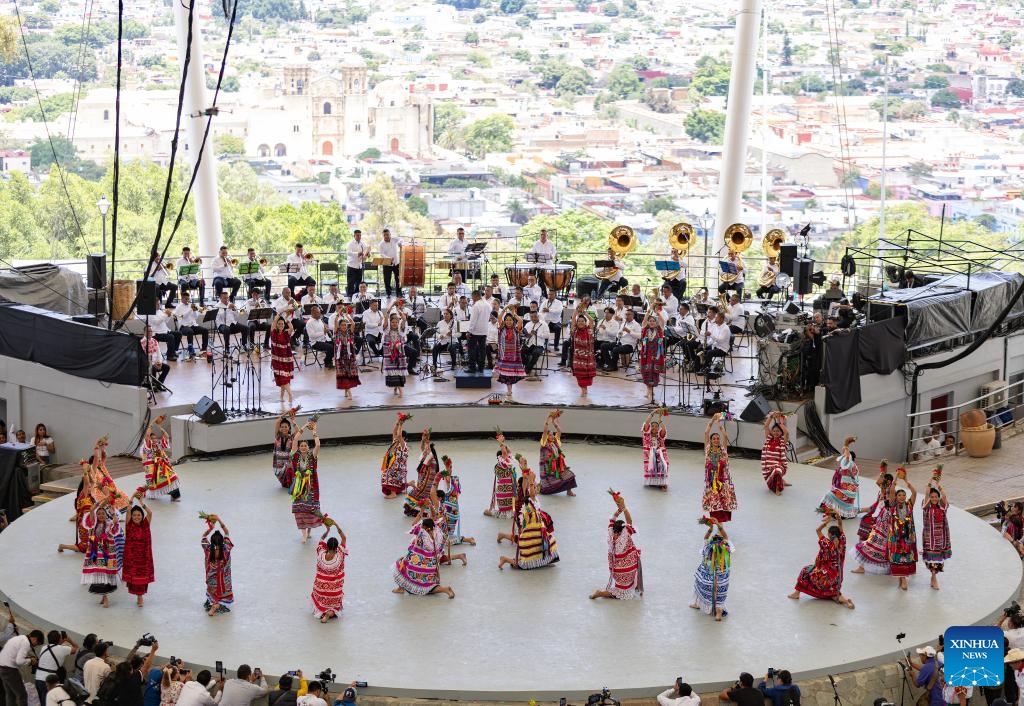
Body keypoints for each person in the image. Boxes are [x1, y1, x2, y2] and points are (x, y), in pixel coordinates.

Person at [789, 509, 854, 608]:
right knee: (833, 594)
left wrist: (826, 522)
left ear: (830, 535)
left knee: (805, 571)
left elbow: (817, 530)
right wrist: (838, 518)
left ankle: (796, 593)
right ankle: (846, 601)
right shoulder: (842, 542)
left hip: (825, 576)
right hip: (837, 577)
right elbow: (840, 527)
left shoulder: (827, 543)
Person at [590, 492, 642, 599]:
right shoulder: (624, 536)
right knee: (622, 592)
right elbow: (630, 522)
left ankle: (624, 588)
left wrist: (618, 510)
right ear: (622, 530)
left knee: (623, 588)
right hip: (625, 569)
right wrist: (623, 507)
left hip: (615, 570)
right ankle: (601, 593)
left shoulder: (610, 533)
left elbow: (612, 519)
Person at [392, 516, 455, 599]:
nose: (421, 527)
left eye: (423, 526)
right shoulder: (438, 533)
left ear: (426, 528)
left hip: (420, 563)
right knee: (427, 584)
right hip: (432, 564)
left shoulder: (423, 535)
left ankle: (445, 589)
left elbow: (414, 526)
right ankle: (445, 590)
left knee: (402, 566)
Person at [81, 496, 123, 607]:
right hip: (96, 552)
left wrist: (113, 513)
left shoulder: (109, 524)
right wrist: (95, 507)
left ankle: (105, 598)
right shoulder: (93, 524)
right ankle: (103, 597)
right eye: (98, 514)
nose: (100, 515)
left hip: (107, 553)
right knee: (99, 573)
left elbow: (115, 524)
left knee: (105, 573)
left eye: (103, 514)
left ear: (106, 515)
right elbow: (91, 514)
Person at [498, 497, 559, 570]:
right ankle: (505, 559)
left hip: (538, 533)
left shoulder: (533, 504)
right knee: (525, 563)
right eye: (533, 487)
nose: (535, 489)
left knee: (549, 542)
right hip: (532, 533)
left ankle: (543, 561)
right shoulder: (527, 507)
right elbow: (526, 521)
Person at [691, 518, 732, 621]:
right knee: (720, 595)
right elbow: (726, 536)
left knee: (698, 583)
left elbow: (705, 538)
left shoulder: (707, 547)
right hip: (722, 579)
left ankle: (696, 603)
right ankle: (718, 612)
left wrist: (710, 528)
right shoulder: (726, 548)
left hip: (707, 579)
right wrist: (718, 525)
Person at [290, 421, 323, 543]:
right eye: (301, 445)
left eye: (305, 445)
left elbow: (318, 445)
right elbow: (294, 440)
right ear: (299, 448)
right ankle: (303, 534)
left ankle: (309, 531)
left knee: (309, 510)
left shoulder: (312, 457)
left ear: (308, 447)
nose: (303, 447)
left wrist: (314, 431)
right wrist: (303, 426)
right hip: (299, 488)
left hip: (311, 488)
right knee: (299, 511)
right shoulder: (295, 457)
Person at [311, 518, 348, 622]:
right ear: (336, 547)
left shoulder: (320, 553)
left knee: (319, 598)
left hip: (321, 588)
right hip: (334, 591)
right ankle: (329, 613)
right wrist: (336, 525)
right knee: (334, 606)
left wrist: (327, 530)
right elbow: (344, 538)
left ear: (326, 547)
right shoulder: (340, 554)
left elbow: (321, 541)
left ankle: (323, 612)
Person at [702, 414, 737, 522]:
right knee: (714, 497)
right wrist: (712, 421)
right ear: (711, 441)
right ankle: (715, 518)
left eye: (718, 438)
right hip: (711, 478)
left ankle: (722, 518)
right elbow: (706, 433)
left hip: (723, 478)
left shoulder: (723, 449)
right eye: (714, 439)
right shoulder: (708, 449)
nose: (716, 440)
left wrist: (719, 425)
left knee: (723, 497)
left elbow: (725, 436)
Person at [888, 468, 919, 590]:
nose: (901, 497)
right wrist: (896, 477)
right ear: (896, 497)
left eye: (903, 495)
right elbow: (891, 490)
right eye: (899, 495)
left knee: (906, 555)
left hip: (907, 535)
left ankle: (903, 578)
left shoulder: (909, 504)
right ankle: (902, 577)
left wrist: (906, 481)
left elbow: (915, 493)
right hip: (896, 535)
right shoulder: (893, 504)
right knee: (897, 555)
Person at [122, 497, 155, 607]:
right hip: (132, 558)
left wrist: (142, 503)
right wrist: (131, 500)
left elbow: (150, 513)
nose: (136, 517)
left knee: (142, 579)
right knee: (134, 579)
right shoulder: (129, 525)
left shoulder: (145, 525)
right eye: (134, 515)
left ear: (142, 516)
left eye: (139, 515)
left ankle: (140, 597)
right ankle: (139, 597)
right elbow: (127, 511)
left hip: (144, 557)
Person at [922, 471, 951, 590]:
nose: (934, 498)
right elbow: (926, 493)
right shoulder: (926, 507)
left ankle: (934, 576)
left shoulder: (942, 507)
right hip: (929, 538)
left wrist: (938, 483)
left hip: (941, 538)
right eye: (932, 497)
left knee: (938, 560)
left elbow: (944, 496)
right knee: (931, 559)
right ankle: (933, 577)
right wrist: (930, 480)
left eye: (936, 497)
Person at [818, 437, 860, 518]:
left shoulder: (850, 464)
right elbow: (845, 455)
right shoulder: (853, 465)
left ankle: (832, 512)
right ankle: (834, 512)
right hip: (848, 490)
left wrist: (847, 443)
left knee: (829, 495)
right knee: (831, 494)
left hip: (846, 490)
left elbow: (847, 456)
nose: (844, 456)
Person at [403, 429, 441, 516]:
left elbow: (427, 450)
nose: (425, 453)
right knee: (415, 495)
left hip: (426, 484)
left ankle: (419, 511)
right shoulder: (427, 457)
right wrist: (423, 440)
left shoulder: (432, 460)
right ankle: (416, 510)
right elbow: (423, 449)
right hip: (422, 481)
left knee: (416, 494)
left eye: (427, 452)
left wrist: (427, 441)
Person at [200, 515, 233, 616]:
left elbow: (203, 537)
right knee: (223, 595)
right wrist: (219, 520)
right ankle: (217, 605)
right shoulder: (226, 549)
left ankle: (214, 603)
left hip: (212, 581)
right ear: (222, 541)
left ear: (212, 541)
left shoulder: (208, 550)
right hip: (224, 582)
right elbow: (227, 532)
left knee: (212, 593)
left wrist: (211, 528)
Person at [141, 418, 180, 501]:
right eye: (152, 438)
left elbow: (167, 436)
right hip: (153, 468)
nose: (154, 439)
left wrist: (160, 427)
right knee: (154, 483)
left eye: (155, 438)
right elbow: (147, 436)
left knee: (173, 478)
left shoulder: (159, 444)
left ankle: (174, 496)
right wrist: (151, 424)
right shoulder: (148, 447)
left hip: (163, 466)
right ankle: (147, 493)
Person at [0, 629, 42, 706]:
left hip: (2, 667)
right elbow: (19, 661)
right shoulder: (26, 643)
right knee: (22, 695)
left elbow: (15, 655)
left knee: (10, 694)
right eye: (37, 643)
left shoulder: (20, 638)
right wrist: (30, 660)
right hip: (10, 670)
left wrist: (27, 658)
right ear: (34, 639)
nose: (36, 645)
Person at [539, 410, 577, 496]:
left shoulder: (555, 443)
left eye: (552, 435)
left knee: (570, 475)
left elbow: (559, 431)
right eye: (550, 435)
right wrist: (548, 419)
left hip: (557, 466)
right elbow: (545, 431)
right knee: (546, 487)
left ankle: (569, 491)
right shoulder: (544, 444)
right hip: (547, 468)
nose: (552, 436)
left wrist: (553, 422)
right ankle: (542, 488)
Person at [34, 631, 77, 706]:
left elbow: (54, 648)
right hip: (48, 681)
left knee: (43, 702)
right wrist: (69, 640)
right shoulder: (63, 649)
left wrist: (60, 641)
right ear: (60, 639)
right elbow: (76, 648)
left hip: (38, 679)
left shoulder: (43, 647)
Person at [58, 472, 95, 553]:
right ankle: (63, 546)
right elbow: (87, 483)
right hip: (83, 523)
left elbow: (92, 482)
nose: (90, 488)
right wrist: (85, 472)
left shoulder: (90, 496)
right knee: (85, 547)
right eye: (88, 487)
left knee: (94, 541)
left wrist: (89, 472)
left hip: (91, 521)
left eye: (90, 488)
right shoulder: (83, 495)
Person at [493, 305, 525, 399]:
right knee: (506, 375)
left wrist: (513, 313)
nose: (508, 321)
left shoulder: (516, 329)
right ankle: (509, 390)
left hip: (514, 356)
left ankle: (510, 390)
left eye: (510, 320)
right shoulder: (502, 328)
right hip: (504, 356)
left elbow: (521, 321)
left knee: (511, 375)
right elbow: (499, 318)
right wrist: (505, 308)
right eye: (506, 320)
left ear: (513, 321)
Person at [485, 432, 517, 519]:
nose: (506, 454)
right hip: (505, 491)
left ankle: (491, 512)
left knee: (509, 511)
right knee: (507, 512)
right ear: (501, 457)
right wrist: (501, 442)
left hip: (506, 490)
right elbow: (505, 453)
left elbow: (508, 452)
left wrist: (504, 443)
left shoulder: (503, 464)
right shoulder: (503, 464)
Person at [440, 467, 474, 547]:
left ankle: (467, 539)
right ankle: (467, 539)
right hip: (451, 512)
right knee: (446, 535)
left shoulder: (454, 483)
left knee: (446, 538)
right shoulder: (451, 484)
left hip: (451, 513)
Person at [638, 309, 664, 404]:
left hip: (656, 356)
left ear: (656, 322)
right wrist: (649, 310)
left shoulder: (659, 330)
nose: (652, 322)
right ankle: (648, 390)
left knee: (654, 373)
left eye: (653, 321)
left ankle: (651, 390)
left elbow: (662, 321)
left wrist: (658, 314)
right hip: (646, 355)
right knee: (647, 372)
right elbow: (644, 320)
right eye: (650, 321)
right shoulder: (645, 329)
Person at [270, 314, 296, 406]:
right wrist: (280, 313)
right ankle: (289, 395)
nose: (281, 325)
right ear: (277, 325)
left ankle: (284, 396)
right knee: (282, 378)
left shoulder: (286, 333)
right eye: (279, 324)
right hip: (277, 361)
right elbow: (273, 322)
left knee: (285, 379)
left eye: (282, 324)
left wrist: (287, 319)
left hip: (286, 360)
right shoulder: (273, 333)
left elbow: (291, 328)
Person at [761, 411, 789, 495]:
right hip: (768, 466)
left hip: (780, 465)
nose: (776, 433)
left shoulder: (783, 441)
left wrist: (779, 421)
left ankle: (777, 489)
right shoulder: (769, 439)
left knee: (777, 471)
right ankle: (782, 481)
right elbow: (766, 426)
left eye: (778, 431)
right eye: (774, 431)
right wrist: (771, 416)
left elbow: (786, 433)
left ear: (781, 433)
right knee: (775, 471)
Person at [382, 306, 408, 396]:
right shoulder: (386, 330)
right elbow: (385, 318)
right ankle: (398, 389)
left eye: (396, 322)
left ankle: (399, 389)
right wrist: (390, 307)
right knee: (393, 371)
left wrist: (399, 310)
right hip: (389, 353)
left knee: (398, 370)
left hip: (399, 352)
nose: (394, 324)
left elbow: (404, 319)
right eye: (392, 322)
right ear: (390, 322)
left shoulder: (400, 330)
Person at [570, 311, 597, 397]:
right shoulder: (575, 331)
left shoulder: (589, 330)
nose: (580, 322)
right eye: (579, 321)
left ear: (585, 323)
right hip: (578, 357)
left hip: (588, 357)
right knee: (579, 374)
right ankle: (583, 389)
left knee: (588, 375)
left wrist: (585, 313)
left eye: (582, 321)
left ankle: (585, 389)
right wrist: (576, 312)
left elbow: (592, 320)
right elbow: (573, 319)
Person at [333, 315, 360, 398]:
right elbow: (335, 322)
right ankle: (349, 393)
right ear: (339, 326)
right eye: (342, 325)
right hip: (340, 357)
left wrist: (347, 315)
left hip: (350, 357)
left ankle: (346, 390)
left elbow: (353, 323)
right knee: (343, 373)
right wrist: (339, 313)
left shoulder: (350, 333)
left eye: (345, 325)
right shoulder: (337, 333)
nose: (344, 326)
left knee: (348, 373)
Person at [642, 409, 669, 490]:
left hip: (660, 454)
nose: (654, 427)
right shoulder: (646, 435)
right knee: (651, 466)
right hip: (650, 454)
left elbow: (663, 430)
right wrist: (653, 412)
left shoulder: (660, 437)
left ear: (658, 428)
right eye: (652, 426)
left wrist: (660, 421)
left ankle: (662, 484)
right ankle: (653, 482)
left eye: (656, 426)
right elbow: (647, 423)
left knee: (664, 464)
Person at [273, 409, 299, 489]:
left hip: (288, 465)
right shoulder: (277, 436)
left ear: (289, 428)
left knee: (289, 484)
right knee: (284, 485)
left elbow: (298, 431)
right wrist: (287, 413)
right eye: (282, 427)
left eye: (286, 427)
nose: (284, 428)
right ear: (280, 428)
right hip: (278, 466)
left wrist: (292, 421)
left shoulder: (291, 438)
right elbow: (278, 421)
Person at [466, 290, 491, 374]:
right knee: (482, 350)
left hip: (475, 331)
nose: (472, 299)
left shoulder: (476, 305)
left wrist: (469, 331)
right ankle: (481, 367)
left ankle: (472, 367)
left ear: (476, 296)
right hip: (484, 330)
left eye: (472, 297)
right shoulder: (487, 304)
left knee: (471, 349)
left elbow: (473, 320)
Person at [378, 228, 401, 298]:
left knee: (398, 279)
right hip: (387, 263)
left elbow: (401, 239)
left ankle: (399, 293)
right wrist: (389, 258)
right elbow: (382, 254)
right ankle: (388, 294)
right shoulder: (381, 244)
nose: (386, 236)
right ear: (383, 236)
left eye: (387, 234)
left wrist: (400, 243)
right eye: (384, 235)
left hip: (396, 263)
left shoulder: (394, 239)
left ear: (390, 234)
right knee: (387, 280)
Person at [345, 231, 369, 298]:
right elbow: (348, 253)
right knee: (351, 283)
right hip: (351, 266)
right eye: (357, 235)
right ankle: (350, 296)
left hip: (360, 266)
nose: (359, 237)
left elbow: (365, 251)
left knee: (358, 283)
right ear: (354, 236)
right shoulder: (350, 243)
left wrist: (368, 254)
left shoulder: (363, 244)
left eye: (360, 235)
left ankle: (356, 296)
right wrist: (357, 253)